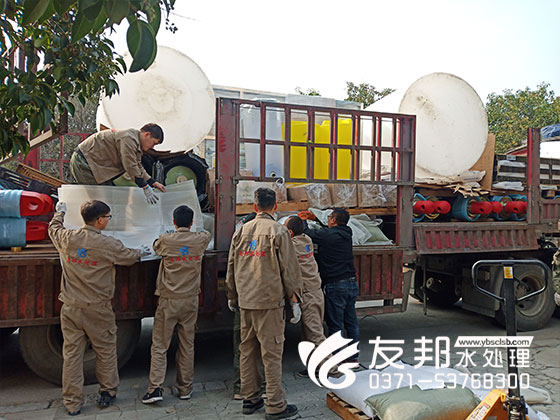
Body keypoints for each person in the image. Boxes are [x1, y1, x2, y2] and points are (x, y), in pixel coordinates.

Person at [48, 200, 148, 416]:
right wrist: (140, 252)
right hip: (98, 309)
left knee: (72, 355)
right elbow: (128, 257)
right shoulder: (107, 244)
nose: (108, 220)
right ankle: (108, 392)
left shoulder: (68, 238)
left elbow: (53, 229)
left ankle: (72, 403)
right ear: (100, 220)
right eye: (108, 217)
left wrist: (59, 213)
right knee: (105, 350)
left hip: (71, 307)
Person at [226, 188, 302, 420]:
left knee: (247, 351)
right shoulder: (278, 231)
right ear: (275, 207)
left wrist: (232, 295)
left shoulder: (241, 231)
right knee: (271, 354)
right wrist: (295, 300)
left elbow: (231, 266)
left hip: (246, 302)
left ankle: (250, 399)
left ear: (255, 206)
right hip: (269, 302)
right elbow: (289, 270)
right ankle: (276, 405)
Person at [142, 205, 211, 404]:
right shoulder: (200, 240)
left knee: (160, 346)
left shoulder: (166, 240)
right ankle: (185, 389)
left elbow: (155, 246)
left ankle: (155, 388)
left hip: (169, 300)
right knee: (187, 345)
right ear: (191, 222)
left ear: (173, 222)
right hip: (190, 300)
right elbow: (207, 233)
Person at [299, 208, 360, 351]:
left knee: (335, 324)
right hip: (351, 283)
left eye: (329, 217)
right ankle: (353, 357)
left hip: (336, 285)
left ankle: (337, 357)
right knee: (351, 322)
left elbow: (307, 233)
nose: (327, 220)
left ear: (333, 220)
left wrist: (303, 220)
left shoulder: (328, 235)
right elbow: (327, 230)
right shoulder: (347, 233)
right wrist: (315, 219)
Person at [69, 123, 166, 204]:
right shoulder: (129, 138)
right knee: (99, 201)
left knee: (109, 198)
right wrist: (145, 186)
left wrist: (152, 182)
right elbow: (130, 166)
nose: (153, 147)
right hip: (84, 162)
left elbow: (138, 166)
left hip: (95, 166)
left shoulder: (136, 143)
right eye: (154, 143)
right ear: (147, 134)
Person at [284, 216, 326, 378]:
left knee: (315, 334)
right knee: (308, 334)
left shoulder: (292, 246)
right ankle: (313, 368)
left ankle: (333, 370)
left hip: (309, 294)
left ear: (290, 232)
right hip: (315, 291)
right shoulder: (306, 240)